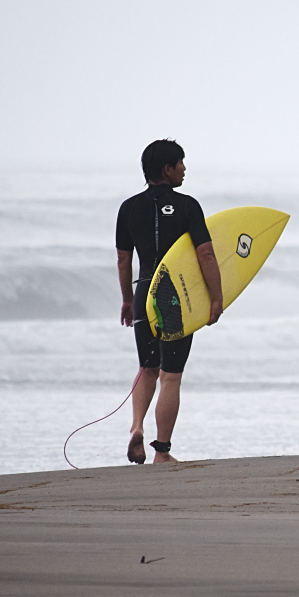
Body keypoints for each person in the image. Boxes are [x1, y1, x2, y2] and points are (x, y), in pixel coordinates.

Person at [115, 139, 223, 464]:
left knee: (147, 368)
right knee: (170, 376)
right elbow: (205, 253)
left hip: (142, 291)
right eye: (181, 164)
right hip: (174, 298)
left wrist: (127, 300)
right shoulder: (189, 206)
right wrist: (216, 297)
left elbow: (123, 261)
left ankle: (136, 427)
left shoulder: (128, 208)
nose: (185, 169)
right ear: (167, 169)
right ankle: (162, 452)